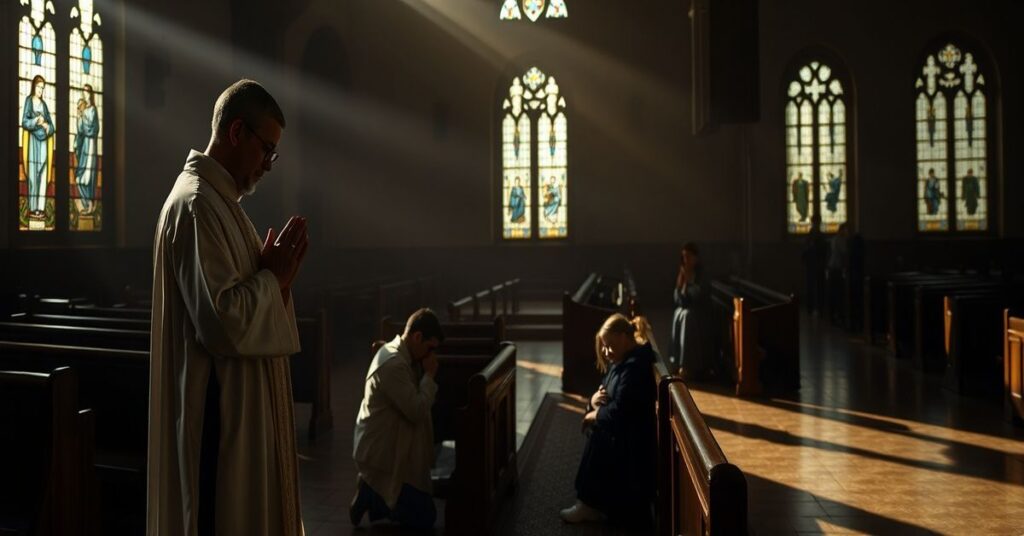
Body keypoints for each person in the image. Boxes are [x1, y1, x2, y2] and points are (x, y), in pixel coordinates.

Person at [148, 79, 309, 536]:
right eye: (267, 151)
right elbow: (222, 323)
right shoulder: (197, 204)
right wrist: (273, 278)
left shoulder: (224, 204)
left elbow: (243, 302)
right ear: (237, 132)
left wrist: (277, 283)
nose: (268, 166)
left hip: (240, 414)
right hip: (218, 426)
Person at [350, 308, 445, 529]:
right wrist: (430, 376)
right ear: (417, 337)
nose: (430, 357)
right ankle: (370, 491)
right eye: (429, 348)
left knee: (423, 510)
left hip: (390, 446)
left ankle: (374, 494)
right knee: (425, 517)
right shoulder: (394, 363)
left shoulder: (401, 353)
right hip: (380, 455)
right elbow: (416, 410)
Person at [561, 313, 657, 527]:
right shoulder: (623, 359)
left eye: (610, 345)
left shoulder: (635, 367)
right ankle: (591, 504)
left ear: (624, 337)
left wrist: (594, 414)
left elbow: (622, 410)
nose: (606, 352)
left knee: (599, 434)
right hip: (624, 429)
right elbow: (606, 391)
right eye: (604, 347)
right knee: (599, 429)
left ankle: (589, 504)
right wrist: (593, 401)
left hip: (633, 441)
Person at [670, 242, 712, 379]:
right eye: (684, 257)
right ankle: (676, 361)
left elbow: (699, 297)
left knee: (686, 315)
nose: (685, 260)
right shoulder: (683, 273)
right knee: (678, 313)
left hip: (702, 313)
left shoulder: (701, 274)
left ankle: (686, 365)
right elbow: (679, 300)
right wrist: (682, 285)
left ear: (695, 258)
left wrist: (689, 283)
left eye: (688, 256)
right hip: (690, 309)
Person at [22, 74, 54, 219]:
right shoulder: (29, 101)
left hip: (44, 144)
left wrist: (47, 125)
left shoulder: (44, 105)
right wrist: (36, 120)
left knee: (42, 173)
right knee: (33, 174)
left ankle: (40, 209)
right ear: (34, 86)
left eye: (43, 88)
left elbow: (52, 127)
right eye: (39, 87)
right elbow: (24, 122)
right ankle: (33, 208)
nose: (41, 90)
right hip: (33, 143)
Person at [74, 84, 100, 215]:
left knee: (88, 176)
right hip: (84, 146)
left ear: (91, 94)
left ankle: (90, 204)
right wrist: (79, 117)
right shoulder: (83, 110)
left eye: (87, 92)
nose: (85, 95)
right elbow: (80, 130)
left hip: (91, 147)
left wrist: (83, 119)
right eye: (84, 92)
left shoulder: (93, 110)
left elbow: (93, 129)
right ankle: (85, 202)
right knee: (79, 177)